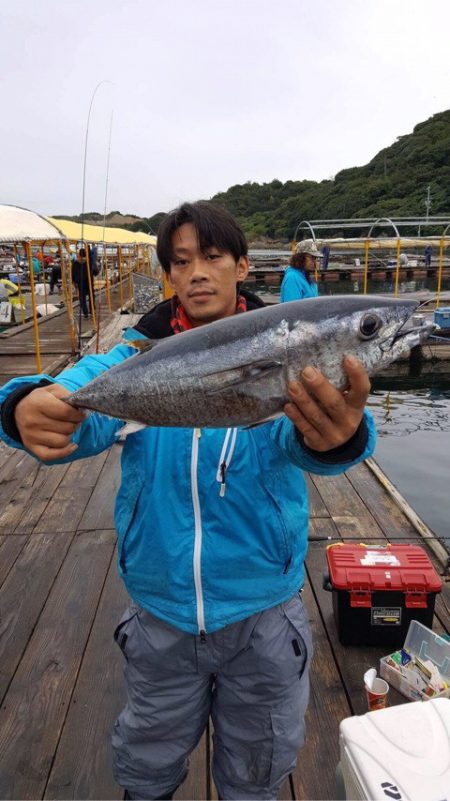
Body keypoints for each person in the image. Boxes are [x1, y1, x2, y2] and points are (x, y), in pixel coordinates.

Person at [0, 201, 376, 801]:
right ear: (168, 277)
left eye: (211, 256)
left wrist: (340, 438)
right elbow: (80, 391)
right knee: (147, 754)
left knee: (258, 763)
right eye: (180, 262)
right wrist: (26, 404)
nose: (196, 271)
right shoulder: (133, 357)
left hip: (263, 612)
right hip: (161, 610)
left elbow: (305, 442)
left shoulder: (287, 348)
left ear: (243, 266)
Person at [72, 247, 93, 318]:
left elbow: (73, 274)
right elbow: (95, 271)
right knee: (91, 297)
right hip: (89, 282)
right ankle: (92, 310)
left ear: (79, 254)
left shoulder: (75, 263)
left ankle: (85, 312)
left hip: (80, 283)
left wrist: (74, 282)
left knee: (82, 299)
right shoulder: (89, 263)